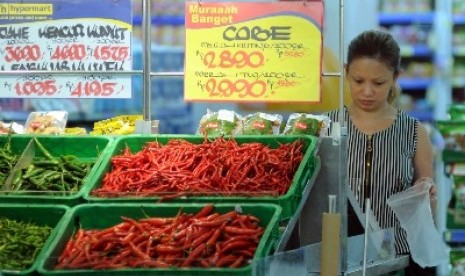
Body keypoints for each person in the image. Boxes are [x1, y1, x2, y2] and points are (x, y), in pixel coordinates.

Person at [325, 29, 437, 275]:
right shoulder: (327, 127)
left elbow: (427, 203)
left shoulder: (414, 132)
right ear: (346, 72)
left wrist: (426, 192)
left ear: (396, 76)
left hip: (398, 259)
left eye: (378, 83)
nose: (367, 91)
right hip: (337, 258)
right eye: (358, 81)